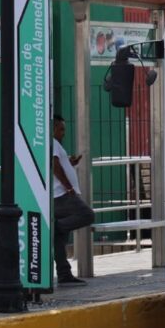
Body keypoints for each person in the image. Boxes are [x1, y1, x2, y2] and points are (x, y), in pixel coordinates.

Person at [52, 114, 95, 285]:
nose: (63, 133)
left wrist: (70, 162)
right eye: (61, 129)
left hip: (58, 196)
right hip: (61, 195)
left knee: (60, 240)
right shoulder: (52, 143)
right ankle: (55, 228)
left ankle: (63, 274)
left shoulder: (54, 145)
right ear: (53, 128)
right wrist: (69, 187)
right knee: (88, 215)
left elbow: (57, 164)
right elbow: (54, 166)